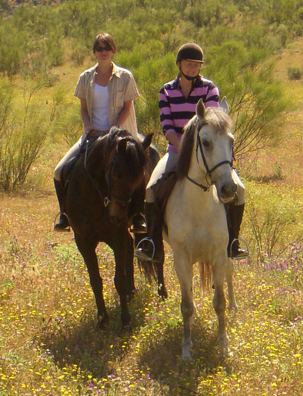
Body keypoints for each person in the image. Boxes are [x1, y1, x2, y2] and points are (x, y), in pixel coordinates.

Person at [135, 42, 247, 264]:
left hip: (208, 151)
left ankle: (232, 242)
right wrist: (184, 147)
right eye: (188, 64)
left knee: (240, 190)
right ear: (179, 64)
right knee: (150, 189)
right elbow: (167, 126)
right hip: (177, 150)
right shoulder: (166, 91)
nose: (192, 68)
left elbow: (214, 123)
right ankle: (152, 243)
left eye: (196, 65)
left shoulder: (209, 88)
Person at [53, 32, 143, 232]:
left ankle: (139, 216)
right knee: (60, 170)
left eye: (107, 48)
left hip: (123, 136)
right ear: (94, 52)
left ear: (113, 50)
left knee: (144, 166)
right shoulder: (85, 78)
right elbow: (83, 108)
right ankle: (64, 215)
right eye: (99, 49)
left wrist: (114, 129)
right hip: (93, 135)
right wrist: (88, 127)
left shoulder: (125, 76)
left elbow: (128, 107)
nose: (104, 52)